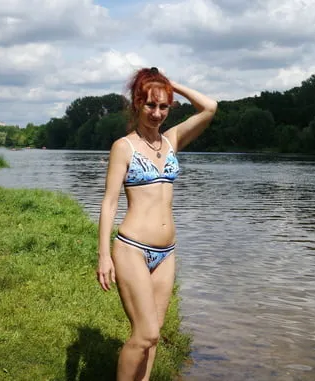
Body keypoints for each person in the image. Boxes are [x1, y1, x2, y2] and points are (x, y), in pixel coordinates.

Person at [97, 67, 217, 381]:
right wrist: (103, 255)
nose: (158, 113)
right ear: (137, 103)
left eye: (164, 106)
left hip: (167, 253)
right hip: (132, 248)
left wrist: (169, 85)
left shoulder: (172, 140)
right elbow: (109, 202)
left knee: (154, 338)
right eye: (151, 105)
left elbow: (210, 107)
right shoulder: (124, 147)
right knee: (145, 333)